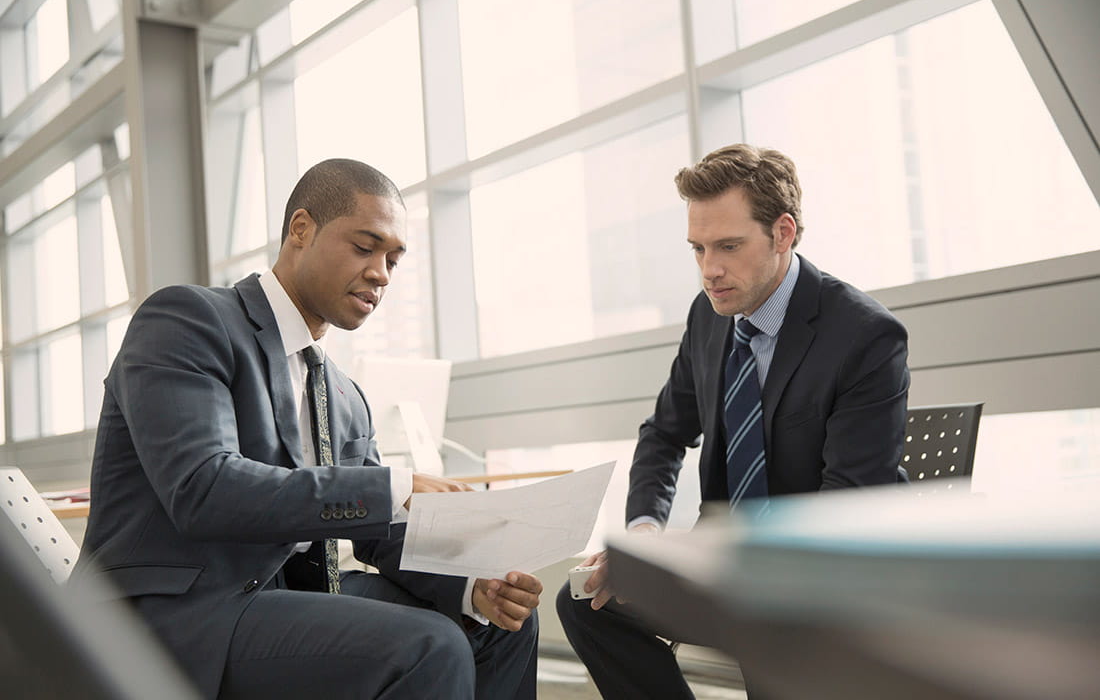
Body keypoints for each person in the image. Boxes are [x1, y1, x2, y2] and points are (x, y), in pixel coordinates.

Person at [71, 159, 541, 700]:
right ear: (301, 229)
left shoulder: (341, 392)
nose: (382, 274)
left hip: (284, 595)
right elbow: (203, 488)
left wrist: (472, 588)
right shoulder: (188, 321)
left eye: (393, 259)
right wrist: (398, 485)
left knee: (500, 627)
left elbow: (376, 528)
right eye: (366, 247)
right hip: (173, 611)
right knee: (428, 646)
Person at [556, 143, 910, 698]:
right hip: (724, 571)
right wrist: (646, 536)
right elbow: (664, 434)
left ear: (783, 233)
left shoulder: (864, 335)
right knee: (591, 600)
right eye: (697, 248)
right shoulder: (711, 315)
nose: (709, 270)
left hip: (819, 579)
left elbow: (849, 500)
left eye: (728, 246)